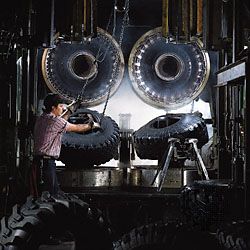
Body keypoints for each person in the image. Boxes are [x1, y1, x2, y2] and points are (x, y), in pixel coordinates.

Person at [30, 93, 98, 197]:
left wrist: (70, 111)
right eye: (61, 106)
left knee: (46, 194)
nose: (63, 108)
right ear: (53, 107)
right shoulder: (55, 121)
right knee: (50, 196)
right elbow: (77, 128)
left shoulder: (42, 118)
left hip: (38, 163)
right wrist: (91, 125)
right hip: (47, 164)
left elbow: (60, 123)